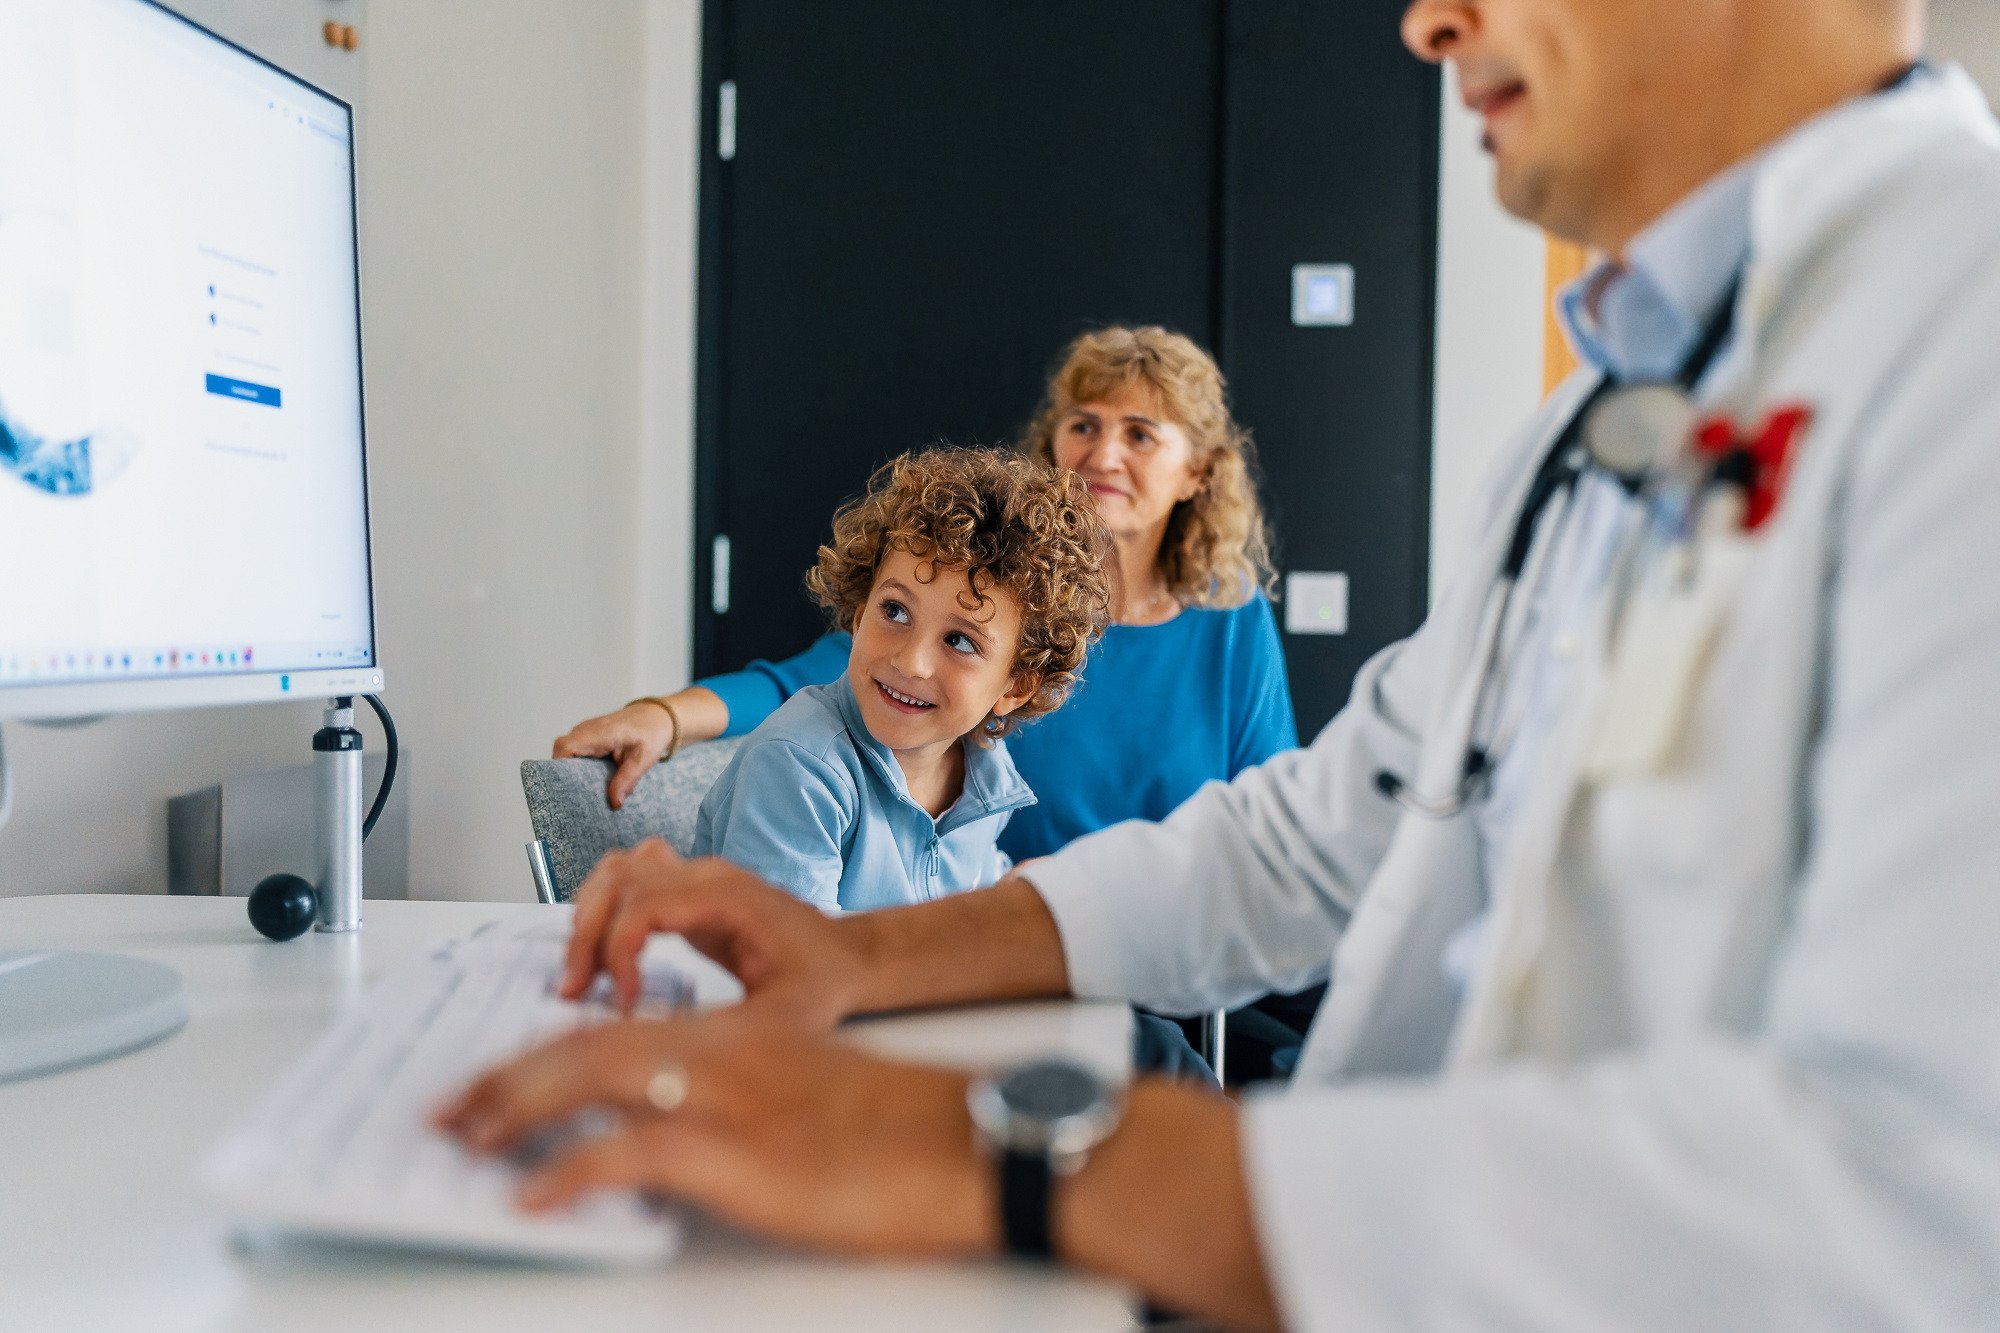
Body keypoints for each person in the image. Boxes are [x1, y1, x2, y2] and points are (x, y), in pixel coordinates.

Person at [440, 0, 2000, 1326]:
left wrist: (992, 1152)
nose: (1425, 21)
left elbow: (1916, 1195)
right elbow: (1317, 834)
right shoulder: (1605, 416)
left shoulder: (1958, 338)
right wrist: (863, 957)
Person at [555, 326, 1298, 865]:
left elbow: (1268, 811)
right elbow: (808, 679)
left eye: (1140, 434)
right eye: (1084, 425)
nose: (1103, 454)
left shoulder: (1232, 620)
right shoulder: (984, 595)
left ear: (1198, 472)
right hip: (994, 934)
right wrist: (660, 716)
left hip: (1158, 945)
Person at [692, 447, 1110, 912]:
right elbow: (793, 964)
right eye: (895, 611)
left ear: (1014, 687)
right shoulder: (798, 766)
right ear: (858, 611)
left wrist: (1006, 896)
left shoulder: (986, 769)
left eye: (960, 641)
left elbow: (965, 890)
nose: (911, 662)